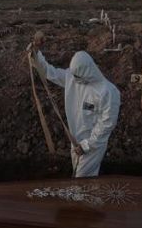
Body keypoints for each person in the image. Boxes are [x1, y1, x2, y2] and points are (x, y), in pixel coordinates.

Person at [28, 32, 121, 178]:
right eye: (74, 76)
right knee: (80, 179)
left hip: (93, 146)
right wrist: (36, 53)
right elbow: (49, 72)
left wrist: (86, 145)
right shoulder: (72, 78)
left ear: (88, 71)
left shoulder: (108, 92)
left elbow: (106, 125)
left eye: (78, 76)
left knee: (83, 180)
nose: (75, 79)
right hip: (75, 141)